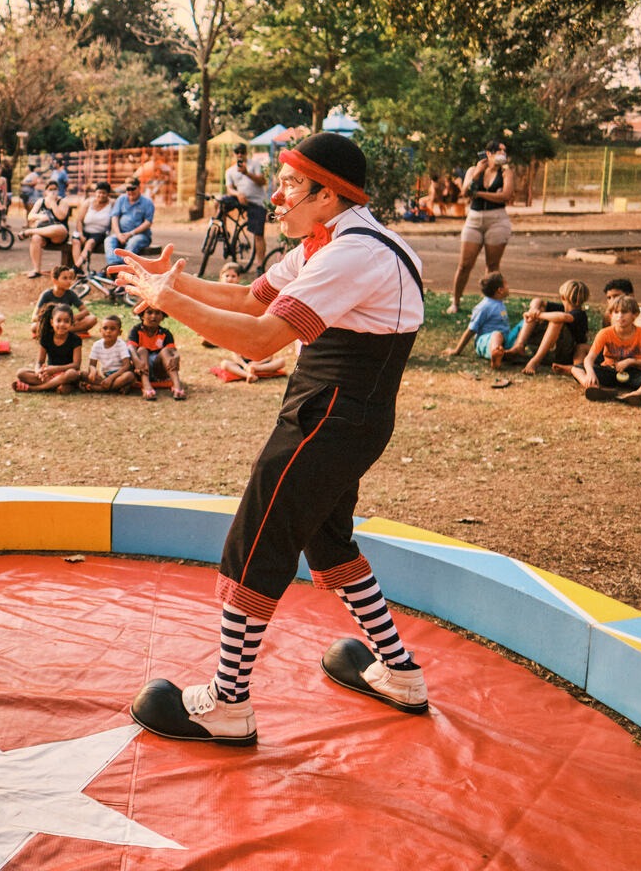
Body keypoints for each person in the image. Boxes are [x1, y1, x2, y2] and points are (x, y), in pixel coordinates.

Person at [115, 132, 430, 748]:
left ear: (327, 195)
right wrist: (170, 283)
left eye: (288, 186)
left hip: (326, 417)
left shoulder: (350, 255)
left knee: (256, 542)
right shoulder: (342, 241)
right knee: (326, 537)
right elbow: (247, 298)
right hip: (347, 416)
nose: (276, 198)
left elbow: (260, 339)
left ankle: (228, 702)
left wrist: (166, 303)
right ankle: (400, 672)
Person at [446, 141, 515, 314]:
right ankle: (455, 301)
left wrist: (479, 194)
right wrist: (477, 173)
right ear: (489, 153)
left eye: (504, 151)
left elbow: (506, 195)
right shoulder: (473, 170)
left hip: (497, 220)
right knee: (464, 264)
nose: (503, 154)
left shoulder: (506, 172)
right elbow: (465, 192)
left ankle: (490, 304)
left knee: (492, 265)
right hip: (474, 219)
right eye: (500, 151)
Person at [571, 294, 641, 406]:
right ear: (611, 315)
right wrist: (590, 373)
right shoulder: (605, 333)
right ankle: (596, 389)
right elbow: (589, 358)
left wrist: (631, 361)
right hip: (610, 370)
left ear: (635, 315)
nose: (620, 316)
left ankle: (635, 395)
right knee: (576, 369)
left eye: (624, 312)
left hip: (635, 373)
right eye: (616, 312)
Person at [503, 279, 590, 376]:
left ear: (562, 297)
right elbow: (537, 300)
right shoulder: (563, 308)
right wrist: (534, 310)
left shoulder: (580, 314)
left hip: (566, 354)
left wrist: (537, 315)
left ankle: (535, 361)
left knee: (556, 321)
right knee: (540, 308)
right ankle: (519, 346)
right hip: (555, 348)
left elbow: (564, 317)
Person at [445, 271, 512, 368]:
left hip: (505, 339)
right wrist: (457, 350)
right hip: (486, 342)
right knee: (497, 335)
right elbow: (471, 330)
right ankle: (495, 354)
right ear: (500, 290)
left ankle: (508, 352)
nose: (508, 287)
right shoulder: (484, 307)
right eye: (506, 285)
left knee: (522, 326)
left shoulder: (499, 303)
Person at [14, 303, 82, 393]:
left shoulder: (75, 339)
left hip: (66, 374)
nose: (62, 324)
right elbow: (40, 362)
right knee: (21, 373)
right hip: (50, 375)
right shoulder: (46, 338)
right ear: (52, 322)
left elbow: (76, 365)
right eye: (58, 320)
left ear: (71, 323)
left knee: (72, 374)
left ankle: (36, 388)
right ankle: (54, 385)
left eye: (66, 321)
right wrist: (38, 371)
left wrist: (55, 369)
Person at [224, 145, 270, 272]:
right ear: (234, 154)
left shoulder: (255, 164)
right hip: (240, 198)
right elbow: (229, 189)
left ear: (246, 153)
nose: (240, 154)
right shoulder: (230, 171)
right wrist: (237, 194)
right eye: (237, 152)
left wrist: (246, 173)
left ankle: (260, 265)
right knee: (220, 203)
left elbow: (262, 181)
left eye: (242, 152)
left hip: (256, 202)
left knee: (258, 235)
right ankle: (223, 232)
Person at [129, 304, 186, 400]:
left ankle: (177, 387)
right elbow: (131, 348)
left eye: (157, 313)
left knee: (166, 351)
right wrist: (136, 361)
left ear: (163, 316)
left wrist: (177, 357)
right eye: (149, 312)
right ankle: (146, 387)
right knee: (142, 350)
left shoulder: (165, 333)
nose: (153, 316)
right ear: (142, 315)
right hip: (141, 368)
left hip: (158, 370)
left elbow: (173, 351)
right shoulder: (136, 331)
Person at [19, 181, 75, 277]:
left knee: (59, 228)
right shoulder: (41, 202)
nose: (53, 192)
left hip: (58, 234)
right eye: (50, 189)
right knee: (36, 238)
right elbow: (30, 216)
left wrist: (53, 203)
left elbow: (61, 217)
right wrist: (40, 216)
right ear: (46, 191)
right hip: (43, 233)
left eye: (55, 189)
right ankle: (36, 269)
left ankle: (29, 232)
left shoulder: (63, 202)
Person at [32, 264, 97, 337]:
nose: (69, 281)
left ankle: (58, 332)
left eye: (70, 278)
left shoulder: (71, 294)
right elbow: (34, 317)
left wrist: (72, 318)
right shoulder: (46, 294)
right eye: (65, 278)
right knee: (34, 326)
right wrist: (52, 320)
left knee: (92, 319)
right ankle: (64, 331)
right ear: (55, 280)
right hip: (52, 324)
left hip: (67, 324)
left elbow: (85, 311)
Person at [104, 178, 155, 270]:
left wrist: (131, 233)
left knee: (133, 243)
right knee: (109, 240)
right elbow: (114, 217)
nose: (130, 192)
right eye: (128, 189)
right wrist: (118, 234)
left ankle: (123, 267)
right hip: (122, 234)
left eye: (133, 189)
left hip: (140, 235)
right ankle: (114, 265)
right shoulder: (121, 199)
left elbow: (148, 222)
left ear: (139, 188)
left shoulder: (147, 202)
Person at [82, 314, 136, 393]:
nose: (108, 331)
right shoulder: (97, 345)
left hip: (119, 374)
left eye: (113, 329)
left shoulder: (121, 345)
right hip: (105, 375)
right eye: (105, 328)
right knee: (82, 374)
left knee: (129, 376)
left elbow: (126, 365)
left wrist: (111, 378)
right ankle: (117, 386)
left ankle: (97, 388)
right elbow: (92, 365)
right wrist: (93, 370)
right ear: (100, 330)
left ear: (119, 332)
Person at [73, 181, 115, 271]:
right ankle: (79, 269)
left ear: (108, 194)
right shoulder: (88, 202)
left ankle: (75, 268)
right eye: (99, 192)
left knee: (90, 243)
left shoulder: (112, 204)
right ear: (95, 192)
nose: (101, 195)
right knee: (76, 241)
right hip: (84, 230)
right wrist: (81, 234)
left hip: (99, 233)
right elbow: (79, 220)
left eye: (104, 193)